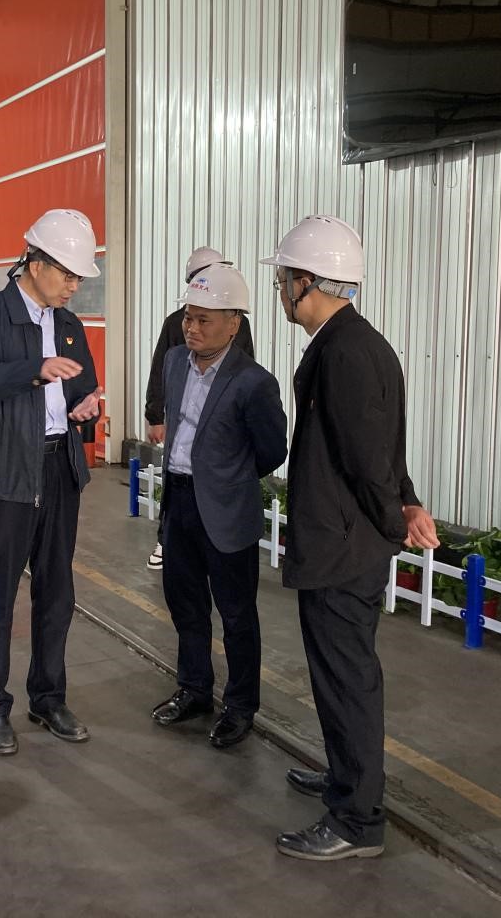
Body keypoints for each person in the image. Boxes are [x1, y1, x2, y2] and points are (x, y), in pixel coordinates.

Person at [259, 215, 439, 861]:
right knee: (337, 675)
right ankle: (343, 778)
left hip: (343, 549)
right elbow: (385, 446)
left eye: (284, 280)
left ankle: (357, 819)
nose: (280, 292)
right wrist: (406, 501)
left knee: (346, 681)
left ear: (307, 282)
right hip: (347, 540)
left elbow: (367, 459)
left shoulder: (344, 354)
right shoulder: (359, 344)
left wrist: (393, 521)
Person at [0, 208, 102, 756]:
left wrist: (86, 407)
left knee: (56, 592)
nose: (74, 285)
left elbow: (81, 386)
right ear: (35, 263)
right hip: (3, 473)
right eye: (67, 273)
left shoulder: (69, 326)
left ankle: (48, 698)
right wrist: (33, 370)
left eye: (79, 276)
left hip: (59, 467)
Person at [152, 263, 286, 748]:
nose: (192, 327)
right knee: (185, 604)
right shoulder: (174, 363)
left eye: (204, 319)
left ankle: (240, 706)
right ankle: (194, 689)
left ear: (234, 323)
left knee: (236, 615)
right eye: (189, 317)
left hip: (226, 510)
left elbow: (272, 450)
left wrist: (227, 478)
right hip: (179, 501)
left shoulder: (253, 382)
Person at [142, 247, 255, 571]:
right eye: (191, 319)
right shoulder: (175, 324)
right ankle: (166, 539)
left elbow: (246, 372)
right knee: (175, 481)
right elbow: (160, 370)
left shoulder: (239, 326)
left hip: (219, 430)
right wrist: (155, 415)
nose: (194, 327)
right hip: (182, 430)